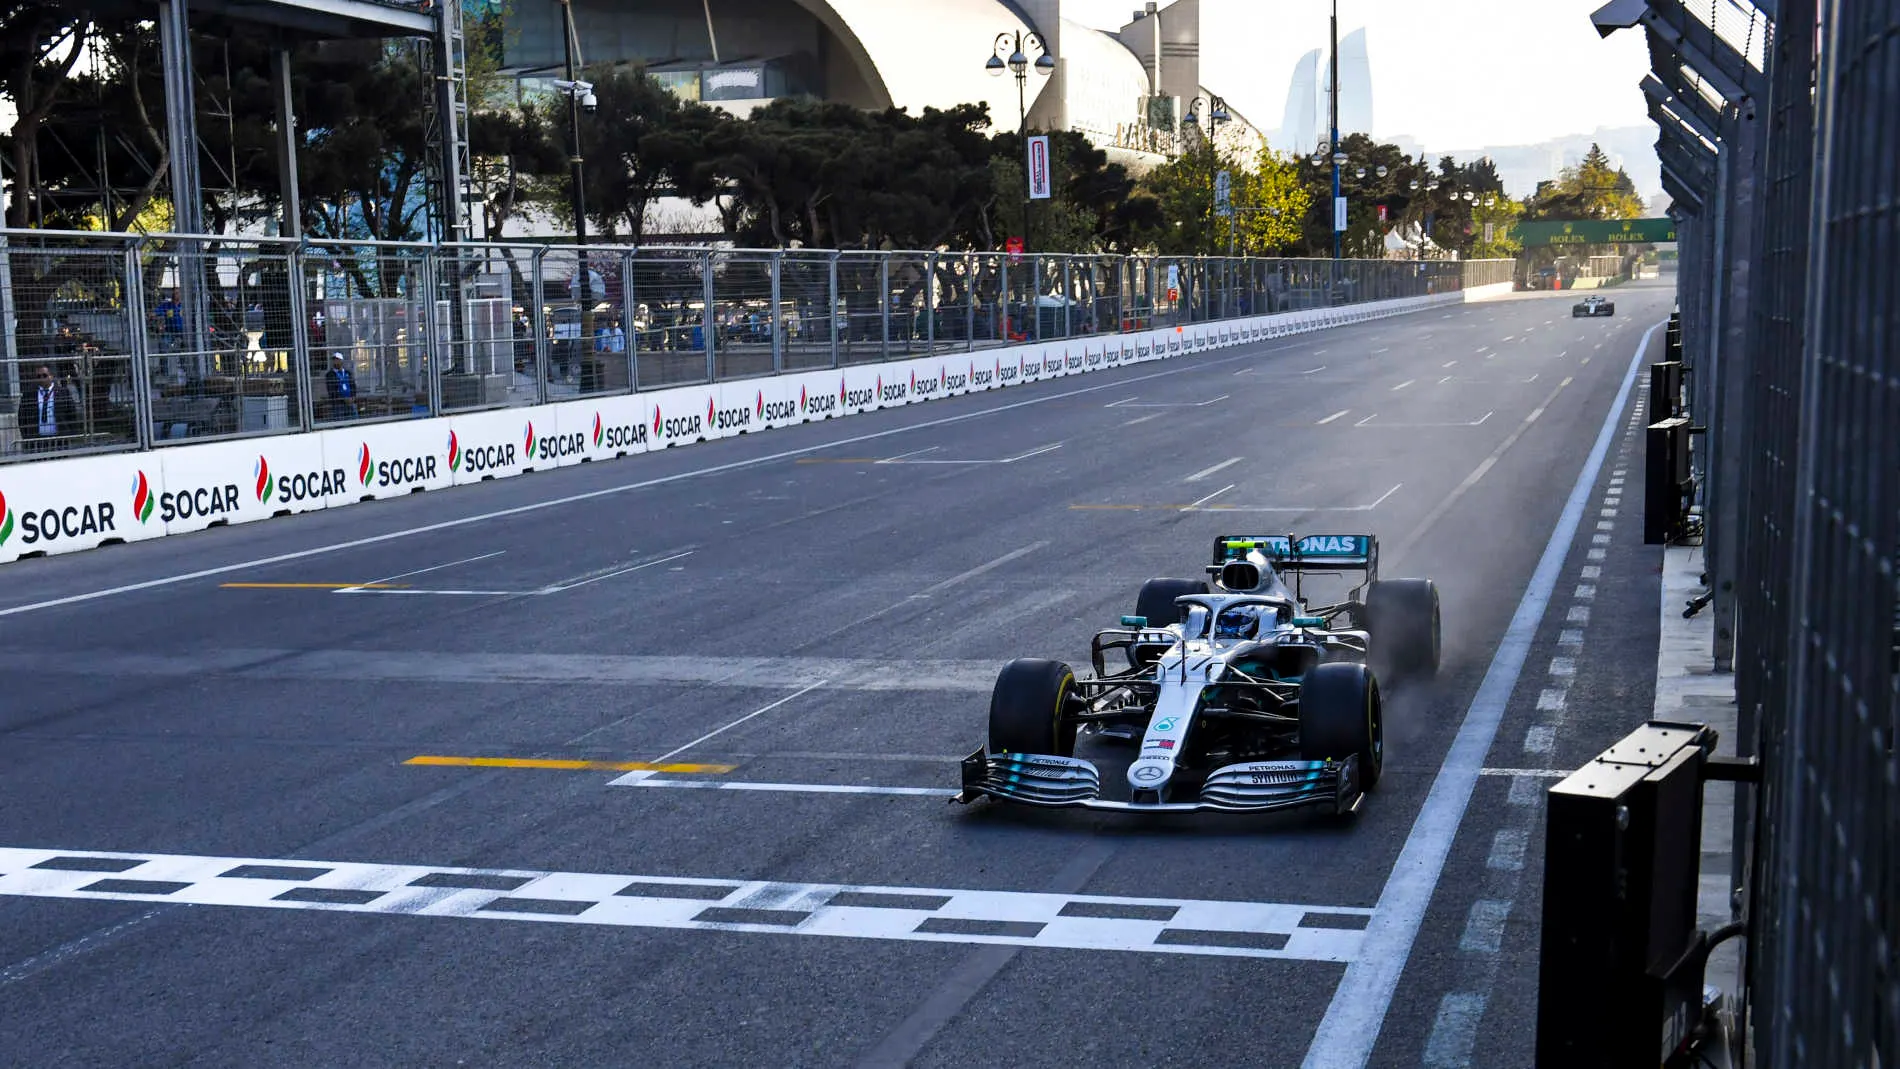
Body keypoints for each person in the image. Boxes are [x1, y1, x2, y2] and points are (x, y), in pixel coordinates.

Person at [18, 363, 81, 454]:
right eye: (38, 376)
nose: (41, 378)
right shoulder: (29, 394)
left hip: (59, 439)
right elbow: (22, 417)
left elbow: (71, 413)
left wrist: (70, 434)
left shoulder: (63, 393)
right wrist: (26, 436)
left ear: (51, 376)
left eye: (44, 375)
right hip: (36, 440)